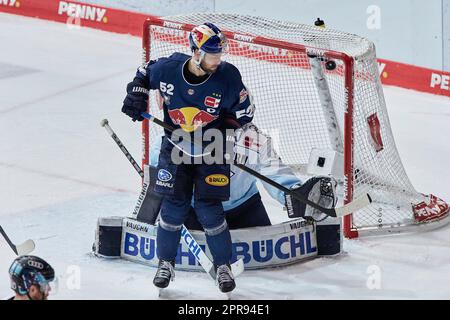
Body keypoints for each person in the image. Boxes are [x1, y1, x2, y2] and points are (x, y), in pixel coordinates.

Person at [122, 22, 255, 293]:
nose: (217, 59)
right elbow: (143, 74)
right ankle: (165, 264)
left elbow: (246, 111)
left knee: (209, 209)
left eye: (219, 53)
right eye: (211, 54)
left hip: (213, 147)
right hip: (175, 145)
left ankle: (223, 266)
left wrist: (230, 123)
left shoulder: (228, 77)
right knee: (173, 208)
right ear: (195, 53)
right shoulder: (169, 69)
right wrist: (135, 93)